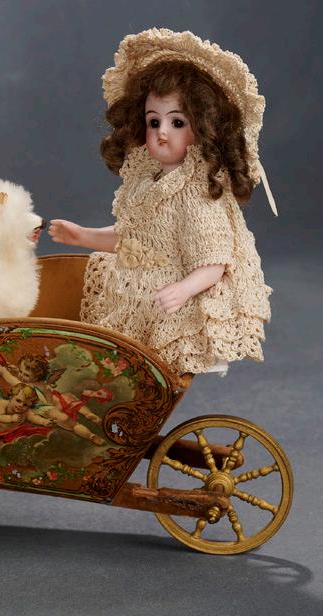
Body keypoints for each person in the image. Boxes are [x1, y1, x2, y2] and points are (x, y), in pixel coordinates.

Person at [49, 28, 274, 375]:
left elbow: (214, 262)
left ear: (203, 128)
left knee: (143, 369)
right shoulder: (148, 180)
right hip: (137, 292)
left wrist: (183, 290)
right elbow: (134, 240)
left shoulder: (197, 194)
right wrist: (83, 236)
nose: (161, 132)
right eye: (154, 121)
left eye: (177, 122)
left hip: (169, 305)